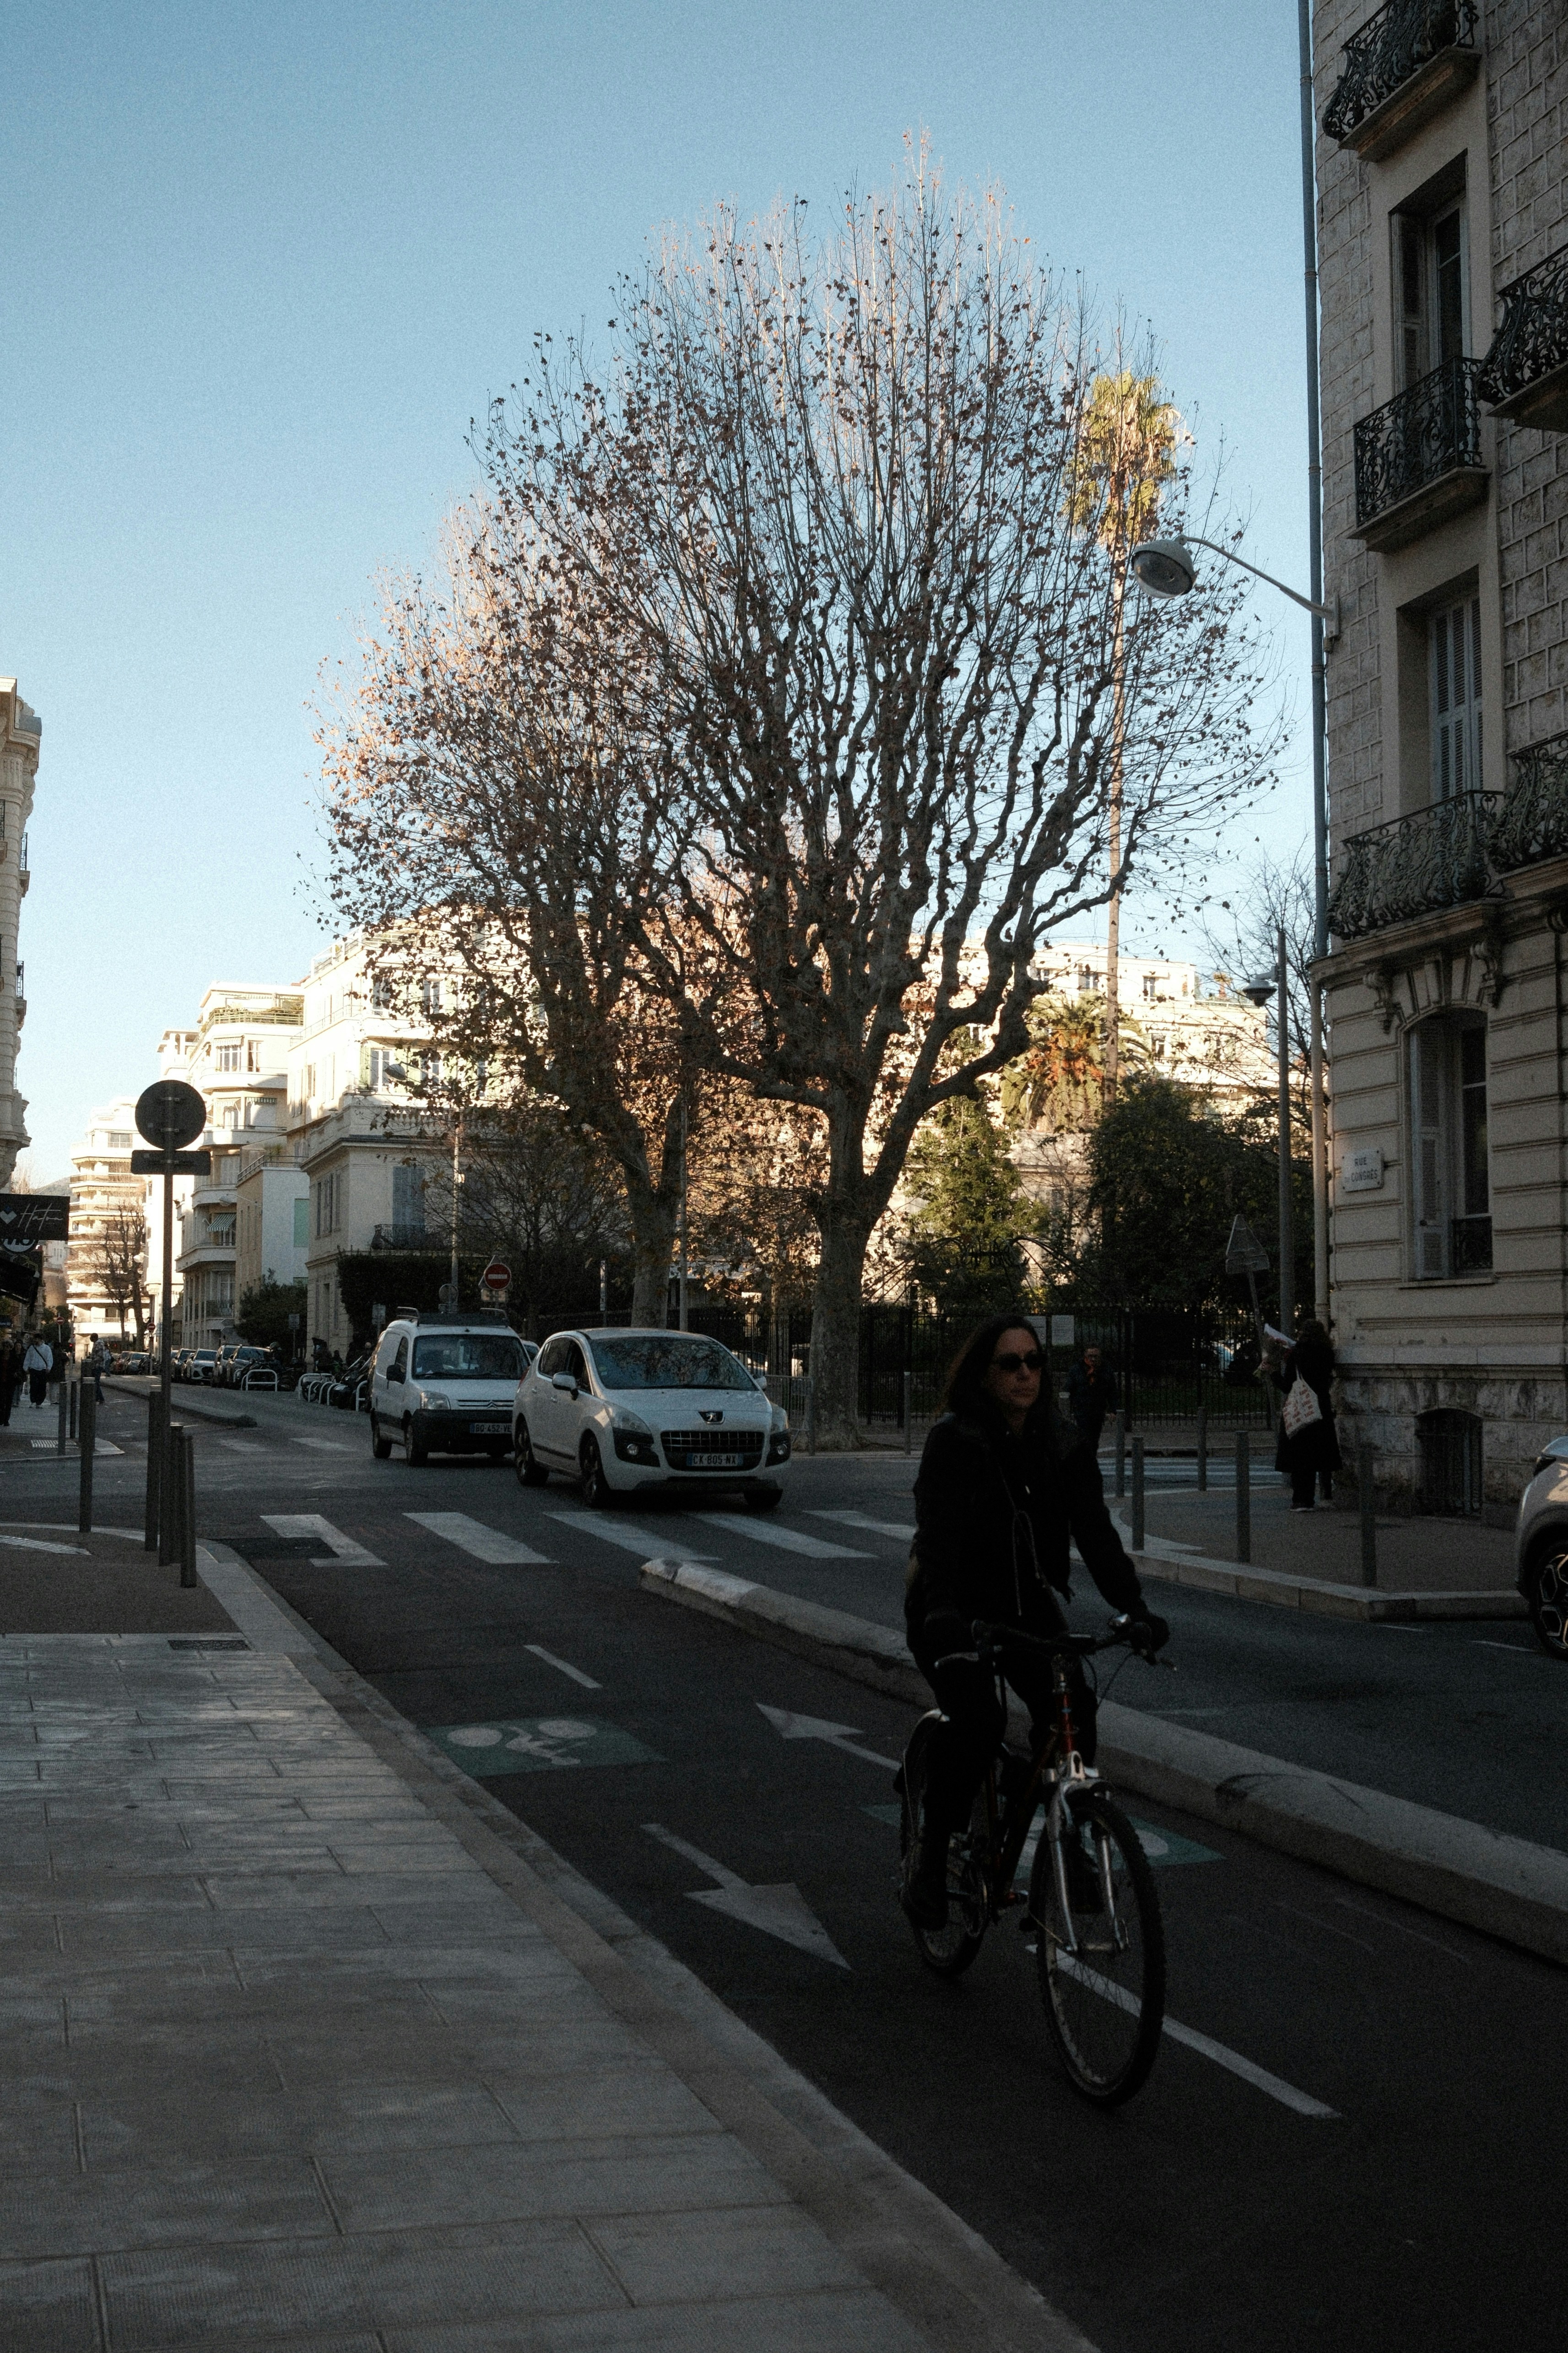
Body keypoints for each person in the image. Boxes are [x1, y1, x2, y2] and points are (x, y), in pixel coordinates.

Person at [902, 1313, 1169, 1930]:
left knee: (1074, 1704)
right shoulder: (955, 1439)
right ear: (984, 1374)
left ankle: (1069, 1857)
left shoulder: (1062, 1440)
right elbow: (936, 1536)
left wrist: (1133, 1608)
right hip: (950, 1607)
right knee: (977, 1718)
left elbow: (1095, 1534)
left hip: (1025, 1605)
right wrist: (942, 1610)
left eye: (1033, 1362)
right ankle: (930, 1862)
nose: (1024, 1374)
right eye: (1009, 1364)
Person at [1275, 1318, 1341, 1512]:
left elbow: (1287, 1385)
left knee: (1299, 1456)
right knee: (1316, 1455)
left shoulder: (1297, 1354)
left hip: (1301, 1407)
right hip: (1320, 1408)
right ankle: (1316, 1497)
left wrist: (1272, 1373)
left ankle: (1300, 1500)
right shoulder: (1327, 1354)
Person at [1065, 1343, 1119, 1454]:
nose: (1093, 1359)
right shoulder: (1077, 1369)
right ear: (1086, 1356)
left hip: (1098, 1409)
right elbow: (1069, 1389)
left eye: (1096, 1356)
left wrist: (1113, 1410)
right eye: (1090, 1356)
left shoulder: (1106, 1370)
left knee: (1094, 1438)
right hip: (1082, 1409)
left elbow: (1112, 1391)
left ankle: (1090, 1459)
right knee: (1085, 1436)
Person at [22, 1334, 53, 1409]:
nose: (35, 1341)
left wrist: (49, 1367)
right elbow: (28, 1358)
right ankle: (33, 1401)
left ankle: (39, 1403)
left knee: (42, 1387)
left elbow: (49, 1358)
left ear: (40, 1339)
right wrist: (25, 1367)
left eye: (36, 1339)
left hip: (43, 1369)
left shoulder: (47, 1348)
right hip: (34, 1369)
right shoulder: (32, 1348)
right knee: (34, 1386)